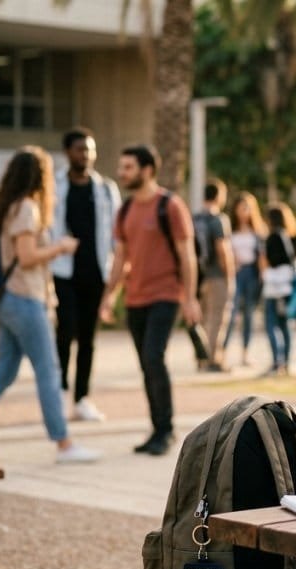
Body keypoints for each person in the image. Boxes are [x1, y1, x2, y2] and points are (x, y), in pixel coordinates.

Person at [0, 147, 100, 464]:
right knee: (48, 370)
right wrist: (61, 247)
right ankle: (64, 444)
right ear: (40, 177)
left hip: (9, 299)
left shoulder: (8, 206)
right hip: (23, 298)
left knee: (5, 370)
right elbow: (28, 256)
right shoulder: (27, 208)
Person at [99, 145, 200, 456]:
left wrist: (190, 297)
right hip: (135, 298)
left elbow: (187, 254)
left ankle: (166, 430)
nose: (122, 172)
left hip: (166, 294)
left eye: (128, 167)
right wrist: (109, 297)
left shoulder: (170, 206)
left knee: (153, 356)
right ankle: (157, 428)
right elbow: (121, 258)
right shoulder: (126, 210)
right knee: (146, 363)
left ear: (146, 170)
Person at [50, 127, 121, 423]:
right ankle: (59, 394)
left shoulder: (105, 189)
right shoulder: (54, 186)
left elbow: (117, 235)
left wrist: (116, 278)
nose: (87, 155)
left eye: (90, 150)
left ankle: (82, 399)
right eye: (81, 149)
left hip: (96, 273)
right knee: (64, 334)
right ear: (69, 152)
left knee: (89, 340)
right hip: (63, 272)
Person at [192, 178, 235, 371]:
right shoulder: (219, 219)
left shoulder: (195, 218)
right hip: (217, 275)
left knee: (201, 318)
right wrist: (230, 275)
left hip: (198, 276)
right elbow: (222, 248)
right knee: (217, 318)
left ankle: (200, 357)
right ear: (219, 196)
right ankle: (213, 359)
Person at [222, 192, 266, 366]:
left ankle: (245, 353)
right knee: (231, 314)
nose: (243, 211)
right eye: (241, 208)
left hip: (252, 274)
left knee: (248, 314)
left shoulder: (257, 232)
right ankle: (222, 352)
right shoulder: (229, 230)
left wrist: (263, 276)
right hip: (236, 273)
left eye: (246, 208)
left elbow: (262, 256)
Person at [261, 202, 296, 376]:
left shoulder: (273, 237)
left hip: (275, 286)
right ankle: (286, 362)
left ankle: (277, 361)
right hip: (286, 286)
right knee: (285, 325)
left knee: (271, 324)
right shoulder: (286, 236)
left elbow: (271, 260)